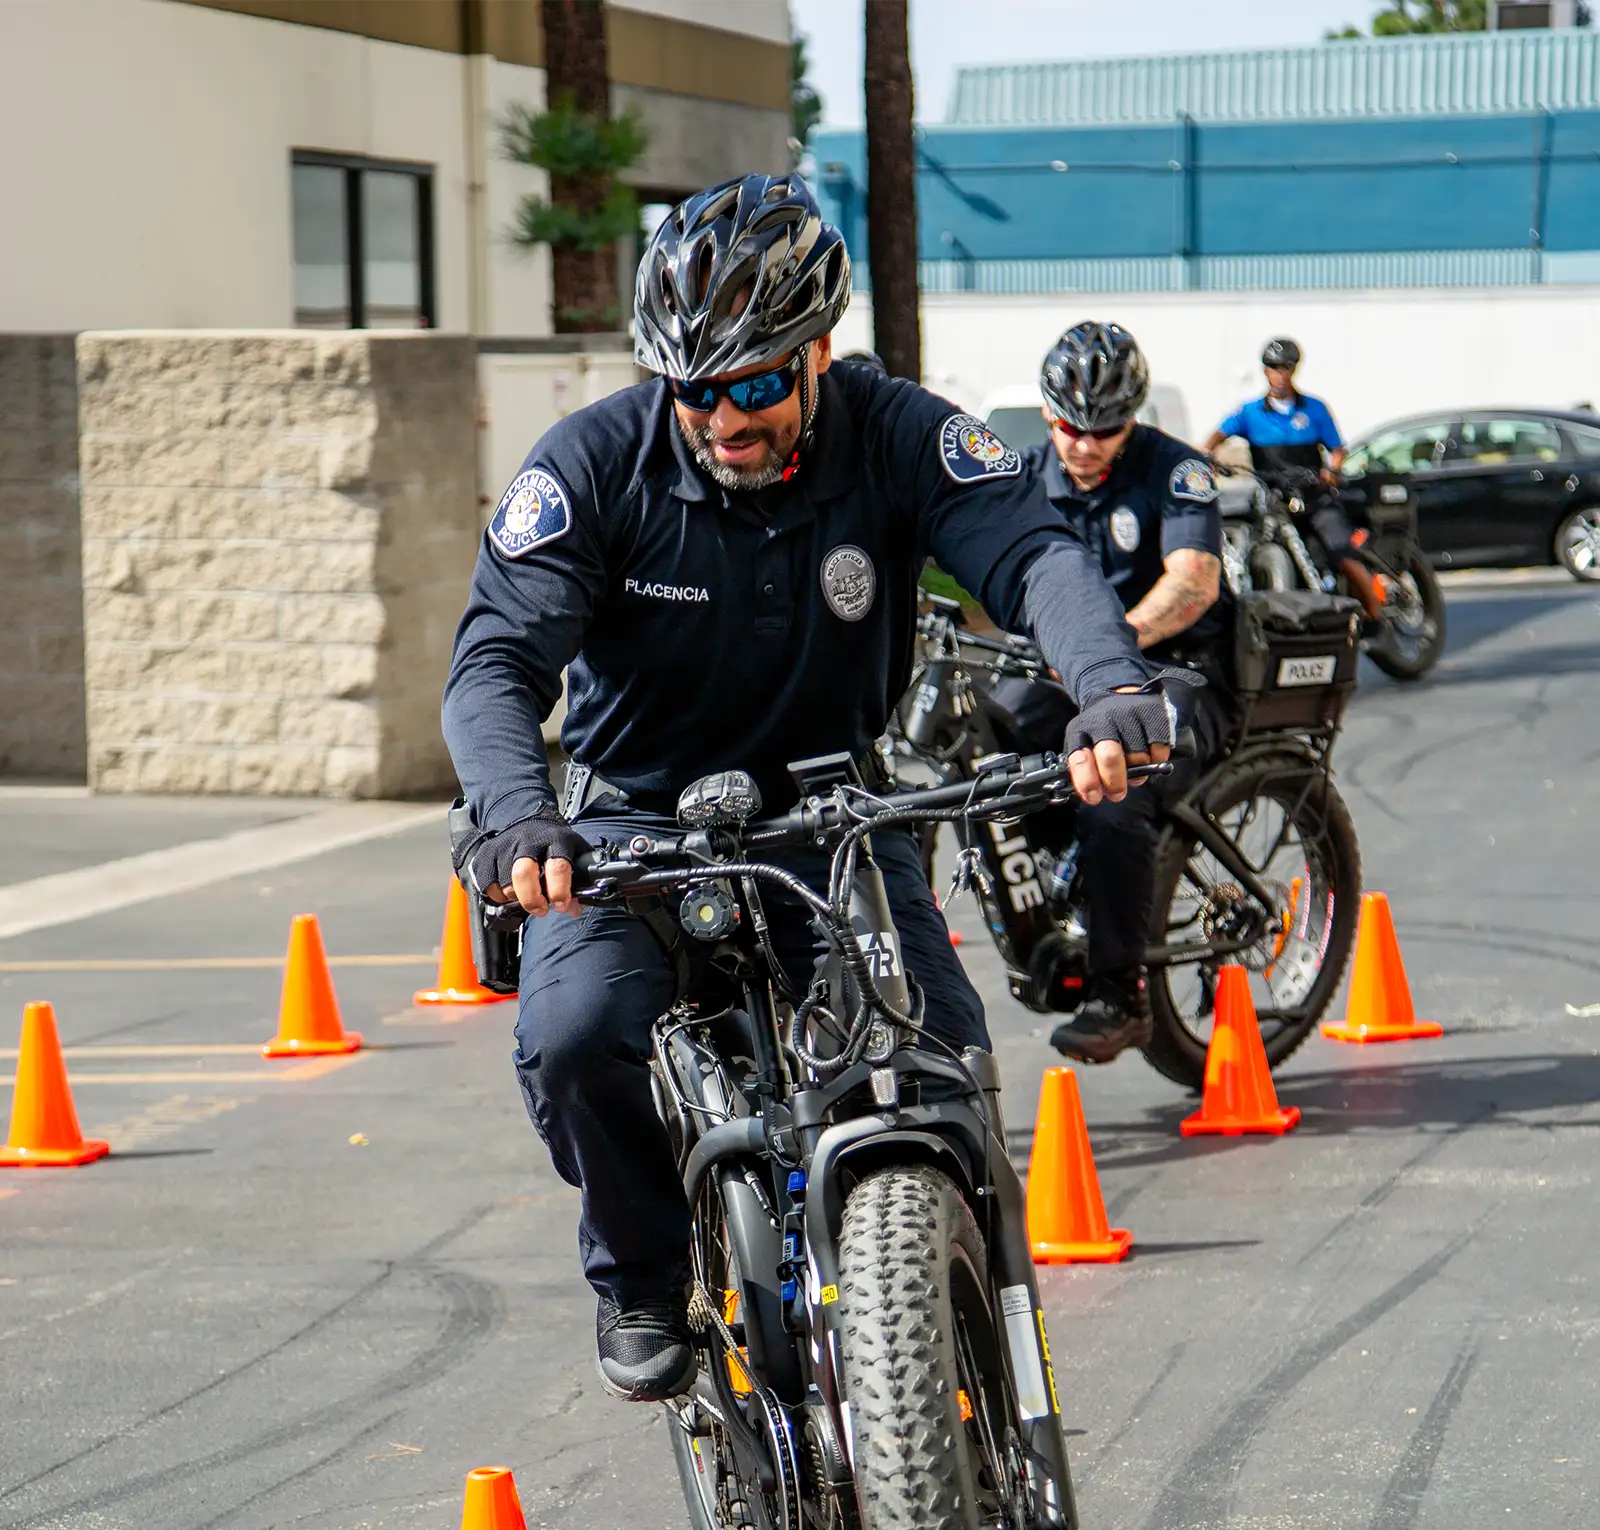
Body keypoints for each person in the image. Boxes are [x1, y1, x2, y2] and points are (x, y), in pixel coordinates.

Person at [442, 174, 1158, 1403]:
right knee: (571, 1039)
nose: (725, 417)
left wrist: (1102, 682)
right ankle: (641, 1274)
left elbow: (1032, 553)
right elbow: (497, 659)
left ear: (818, 351)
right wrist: (518, 812)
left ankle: (996, 1397)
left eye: (758, 384)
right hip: (629, 827)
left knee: (945, 1069)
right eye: (696, 389)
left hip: (835, 813)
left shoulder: (896, 432)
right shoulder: (592, 466)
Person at [1008, 320, 1238, 1065]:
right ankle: (1063, 889)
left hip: (1182, 668)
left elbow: (1193, 583)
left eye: (1104, 429)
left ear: (1132, 417)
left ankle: (1121, 994)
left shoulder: (1176, 472)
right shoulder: (1023, 477)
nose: (1084, 444)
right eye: (1070, 426)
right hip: (1074, 675)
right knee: (995, 725)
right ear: (1048, 414)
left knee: (1112, 789)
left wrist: (1106, 648)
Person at [1204, 338, 1383, 620]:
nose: (1278, 373)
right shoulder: (1249, 412)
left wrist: (1332, 470)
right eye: (1272, 367)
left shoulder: (1314, 409)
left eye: (1285, 367)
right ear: (1265, 371)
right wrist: (1205, 456)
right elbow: (1216, 436)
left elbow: (1337, 448)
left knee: (1342, 554)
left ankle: (1376, 616)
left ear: (1294, 369)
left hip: (1314, 496)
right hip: (1275, 500)